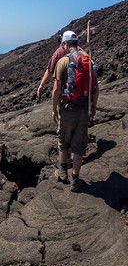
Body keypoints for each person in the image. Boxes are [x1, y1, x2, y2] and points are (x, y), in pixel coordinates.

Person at [51, 31, 97, 191]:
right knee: (79, 145)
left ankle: (62, 170)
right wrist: (93, 107)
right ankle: (75, 180)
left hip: (67, 109)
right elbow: (95, 89)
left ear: (65, 44)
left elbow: (56, 89)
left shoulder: (63, 61)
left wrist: (54, 109)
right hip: (84, 109)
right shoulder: (89, 60)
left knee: (64, 140)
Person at [35, 31, 76, 99]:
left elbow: (50, 71)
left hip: (67, 90)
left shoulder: (59, 53)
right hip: (83, 90)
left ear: (64, 42)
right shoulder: (81, 53)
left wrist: (41, 85)